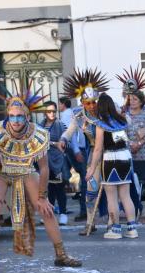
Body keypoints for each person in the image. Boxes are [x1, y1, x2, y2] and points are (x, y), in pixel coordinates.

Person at [0, 89, 82, 273]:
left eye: (19, 117)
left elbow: (44, 168)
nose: (15, 121)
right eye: (12, 116)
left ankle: (61, 254)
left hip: (27, 171)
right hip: (2, 172)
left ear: (27, 116)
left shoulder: (38, 134)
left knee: (47, 210)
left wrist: (42, 196)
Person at [61, 68, 110, 235]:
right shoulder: (78, 114)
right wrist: (63, 140)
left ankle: (113, 222)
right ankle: (91, 222)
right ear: (82, 103)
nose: (91, 106)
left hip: (111, 155)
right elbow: (70, 130)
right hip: (93, 156)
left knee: (112, 190)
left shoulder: (107, 111)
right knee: (91, 189)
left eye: (94, 102)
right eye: (88, 103)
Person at [86, 93, 138, 239]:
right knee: (126, 196)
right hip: (126, 158)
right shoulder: (122, 121)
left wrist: (91, 168)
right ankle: (132, 228)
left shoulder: (101, 124)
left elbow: (97, 149)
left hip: (110, 159)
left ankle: (115, 230)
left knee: (112, 198)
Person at [40, 101, 68, 226]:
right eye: (48, 111)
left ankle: (63, 213)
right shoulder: (40, 125)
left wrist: (60, 143)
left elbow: (65, 141)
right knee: (48, 188)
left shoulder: (60, 125)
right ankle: (48, 213)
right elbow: (39, 141)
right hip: (44, 161)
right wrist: (53, 143)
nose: (51, 113)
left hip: (58, 161)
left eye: (53, 111)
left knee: (59, 188)